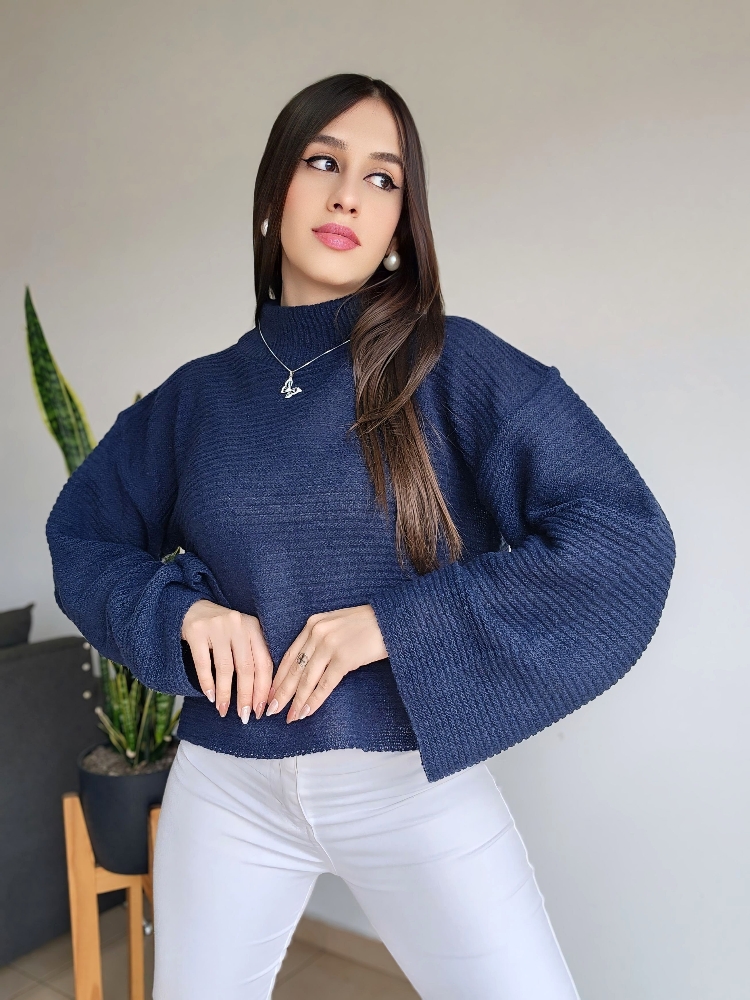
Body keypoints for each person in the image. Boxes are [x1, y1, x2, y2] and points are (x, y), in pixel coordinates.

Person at [46, 74, 675, 999]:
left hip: (408, 783)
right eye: (323, 162)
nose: (348, 195)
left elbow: (622, 539)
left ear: (400, 225)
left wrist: (393, 625)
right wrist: (182, 614)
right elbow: (82, 535)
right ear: (275, 190)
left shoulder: (453, 364)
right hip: (227, 784)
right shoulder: (195, 399)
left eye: (383, 179)